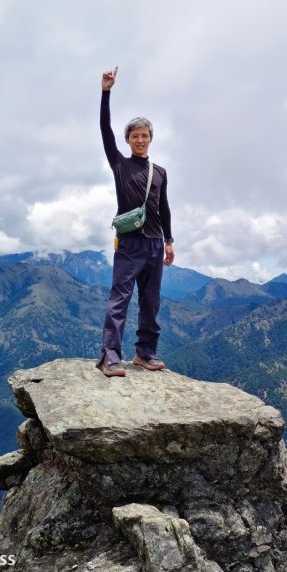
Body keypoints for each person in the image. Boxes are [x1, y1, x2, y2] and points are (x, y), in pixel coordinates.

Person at [96, 66, 175, 377]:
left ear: (150, 139)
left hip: (156, 243)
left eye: (145, 136)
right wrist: (106, 92)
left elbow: (164, 206)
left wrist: (169, 241)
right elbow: (104, 129)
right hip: (130, 244)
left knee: (151, 302)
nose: (140, 140)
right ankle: (110, 358)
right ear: (127, 140)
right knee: (120, 299)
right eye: (135, 136)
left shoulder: (160, 172)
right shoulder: (119, 164)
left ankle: (145, 354)